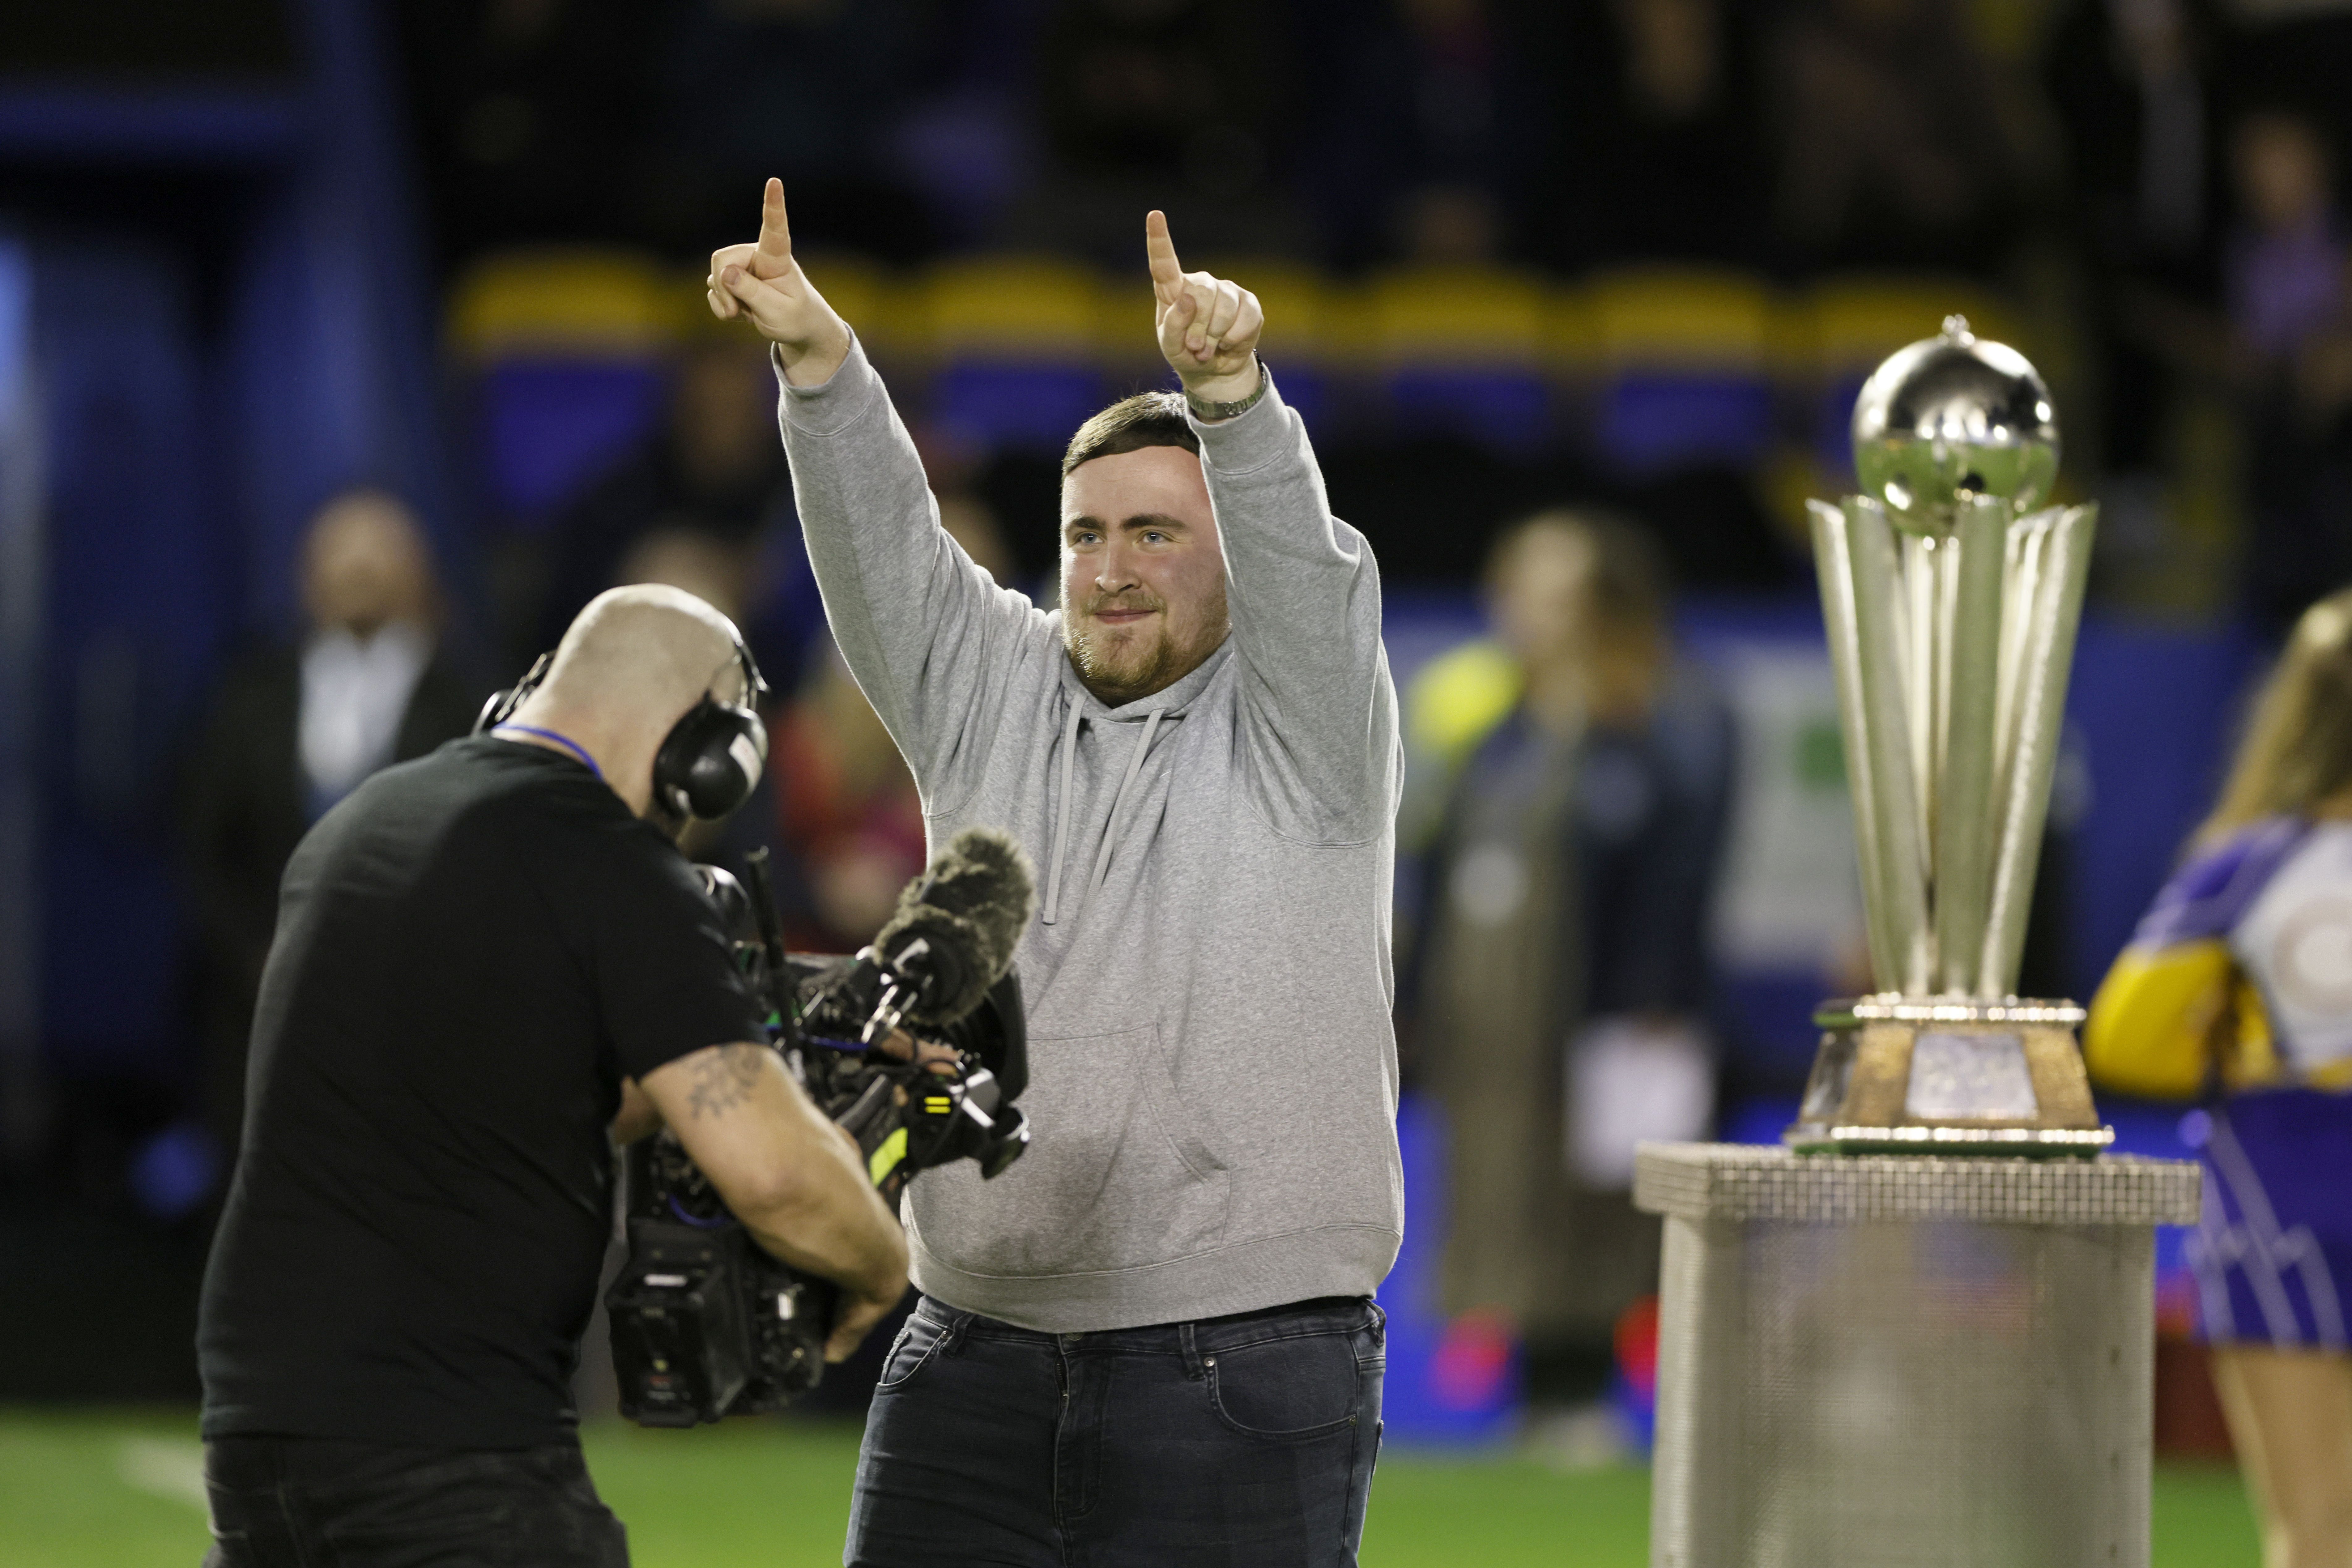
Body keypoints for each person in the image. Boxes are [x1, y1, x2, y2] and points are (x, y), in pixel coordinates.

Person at [709, 179, 1400, 1564]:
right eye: (1089, 533)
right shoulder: (992, 691)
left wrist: (1234, 405)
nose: (1111, 569)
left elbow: (1305, 571)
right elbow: (887, 550)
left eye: (1157, 532)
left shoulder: (1311, 722)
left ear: (1231, 559)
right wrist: (820, 363)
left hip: (1241, 1364)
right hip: (969, 1348)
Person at [195, 584, 909, 1568]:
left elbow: (499, 1089)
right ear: (707, 753)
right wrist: (882, 1260)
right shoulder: (616, 872)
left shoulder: (371, 820)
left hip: (257, 1442)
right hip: (452, 1453)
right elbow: (777, 1179)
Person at [1399, 510, 1732, 1407]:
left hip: (1598, 1010)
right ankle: (1527, 1380)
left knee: (1595, 1205)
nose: (1529, 615)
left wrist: (1652, 998)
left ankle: (1582, 1383)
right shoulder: (1494, 728)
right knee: (1503, 1191)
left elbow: (1679, 872)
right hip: (1491, 1018)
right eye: (1518, 592)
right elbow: (1438, 864)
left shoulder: (1669, 718)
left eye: (1557, 596)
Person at [2085, 586, 2352, 1568]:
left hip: (2276, 1188)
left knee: (2318, 1526)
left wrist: (2247, 1053)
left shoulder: (2244, 868)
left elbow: (2124, 1038)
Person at [181, 489, 480, 1162]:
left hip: (418, 1028)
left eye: (381, 549)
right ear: (305, 572)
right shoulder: (248, 694)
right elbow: (206, 845)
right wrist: (256, 955)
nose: (361, 568)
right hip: (258, 1020)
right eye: (342, 549)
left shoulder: (474, 704)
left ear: (423, 569)